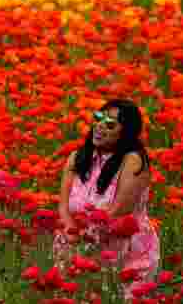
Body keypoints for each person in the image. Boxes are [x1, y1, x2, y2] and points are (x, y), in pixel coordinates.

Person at [54, 99, 160, 300]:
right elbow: (63, 205)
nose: (100, 126)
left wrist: (86, 236)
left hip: (123, 252)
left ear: (126, 132)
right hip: (76, 244)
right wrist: (71, 231)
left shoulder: (133, 160)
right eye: (98, 118)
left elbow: (121, 208)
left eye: (110, 124)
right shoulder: (76, 158)